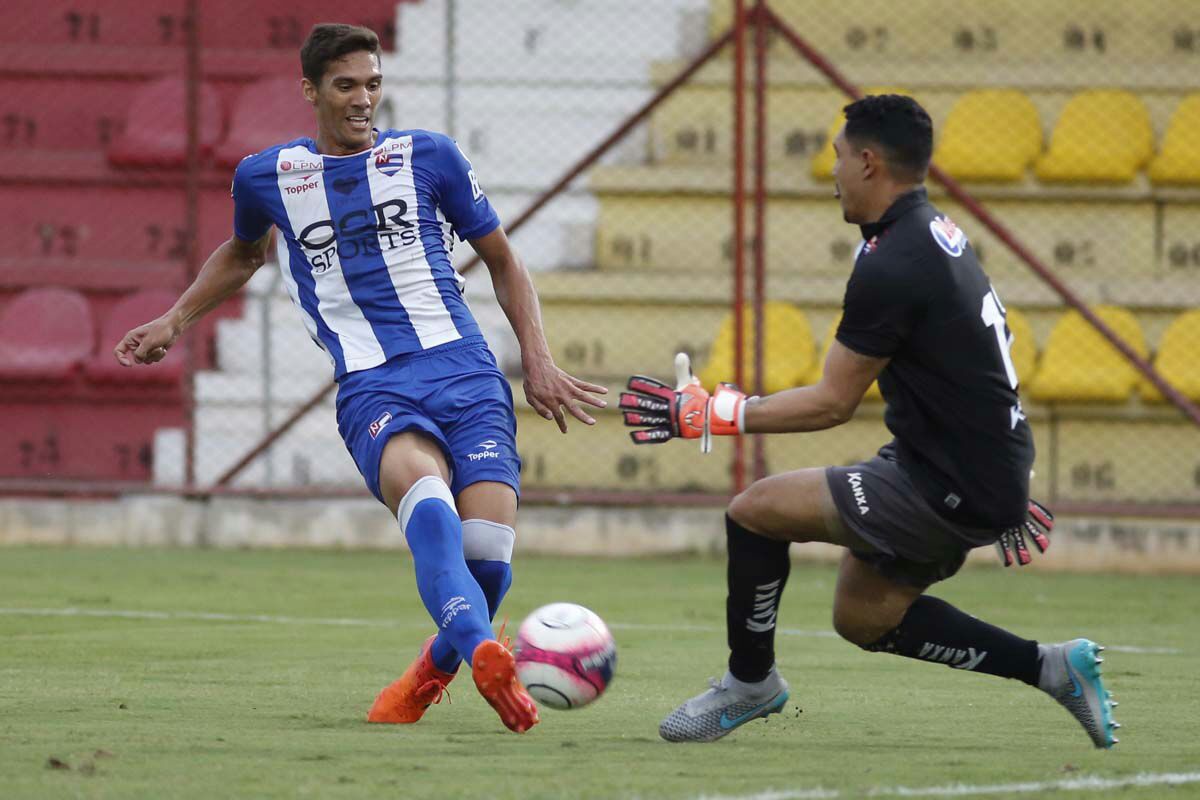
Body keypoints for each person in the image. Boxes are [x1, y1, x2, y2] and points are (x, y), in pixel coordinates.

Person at [113, 23, 607, 734]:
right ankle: (486, 652)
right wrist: (174, 320)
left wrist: (537, 358)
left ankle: (431, 670)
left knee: (489, 565)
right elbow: (244, 253)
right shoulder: (267, 175)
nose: (363, 98)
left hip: (466, 372)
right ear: (311, 90)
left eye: (373, 83)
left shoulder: (428, 156)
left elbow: (504, 259)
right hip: (376, 386)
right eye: (346, 85)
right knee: (431, 512)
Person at [621, 95, 1118, 748]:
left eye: (835, 157)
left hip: (948, 479)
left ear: (867, 160)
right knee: (863, 619)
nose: (830, 171)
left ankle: (750, 684)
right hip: (957, 469)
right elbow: (975, 364)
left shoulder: (895, 260)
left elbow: (833, 402)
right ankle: (1050, 667)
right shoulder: (931, 232)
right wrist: (1005, 484)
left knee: (755, 511)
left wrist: (716, 413)